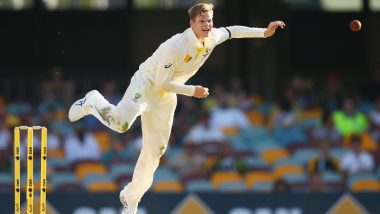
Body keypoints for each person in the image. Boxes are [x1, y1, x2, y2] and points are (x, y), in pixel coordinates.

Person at [68, 3, 285, 214]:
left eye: (209, 20)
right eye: (202, 21)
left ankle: (131, 198)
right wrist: (193, 91)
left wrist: (264, 32)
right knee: (121, 124)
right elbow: (162, 83)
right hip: (147, 84)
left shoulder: (212, 36)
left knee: (155, 151)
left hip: (166, 95)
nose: (207, 25)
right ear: (191, 23)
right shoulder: (175, 46)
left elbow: (232, 31)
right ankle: (93, 101)